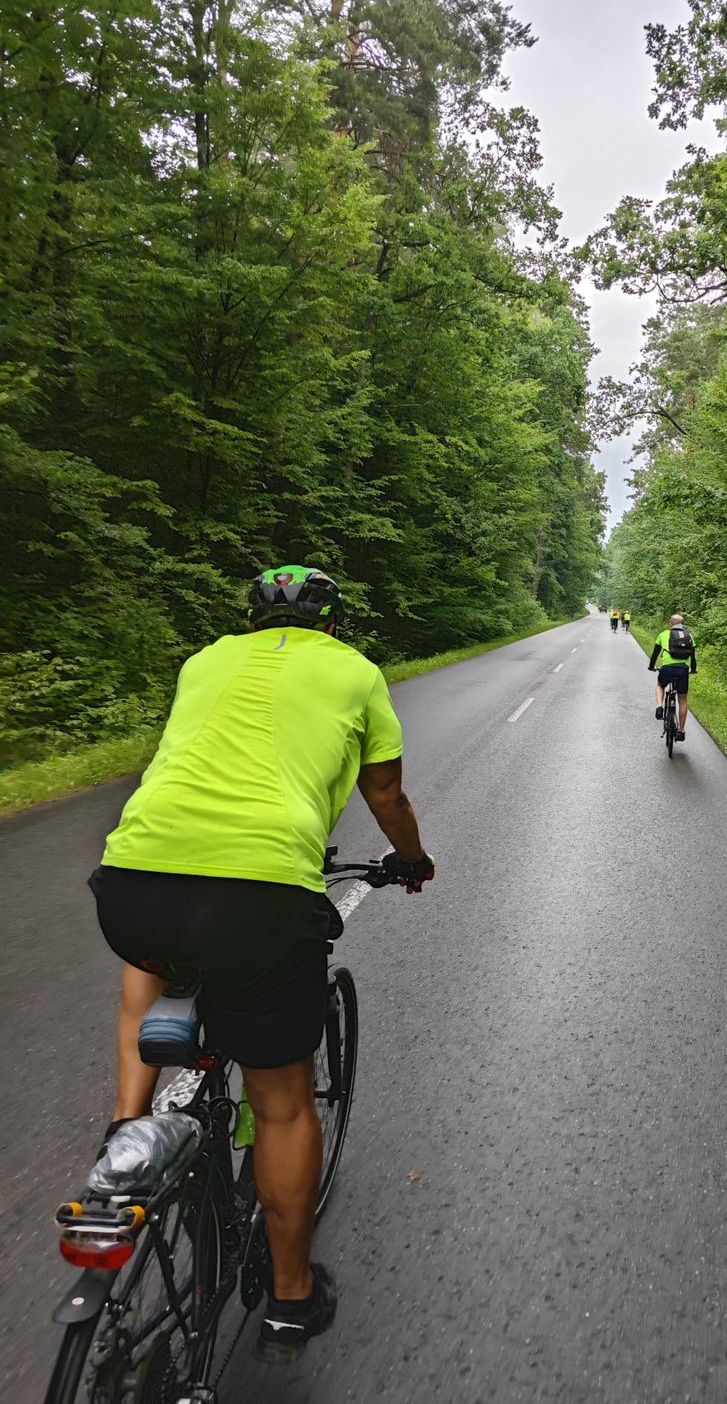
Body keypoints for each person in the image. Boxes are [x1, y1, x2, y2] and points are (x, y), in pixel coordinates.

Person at [89, 565, 434, 1364]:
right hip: (261, 898)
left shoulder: (205, 661)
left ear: (250, 622)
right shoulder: (354, 672)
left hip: (133, 883)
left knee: (150, 961)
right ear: (334, 625)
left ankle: (127, 1126)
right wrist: (411, 860)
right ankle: (290, 1296)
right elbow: (386, 793)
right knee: (279, 1103)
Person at [647, 614, 697, 739]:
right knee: (683, 699)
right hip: (683, 671)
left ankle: (659, 707)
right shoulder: (689, 636)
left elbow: (655, 653)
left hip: (667, 669)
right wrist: (693, 670)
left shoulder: (663, 634)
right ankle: (681, 731)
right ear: (682, 624)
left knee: (660, 684)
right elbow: (693, 657)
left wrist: (651, 666)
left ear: (671, 623)